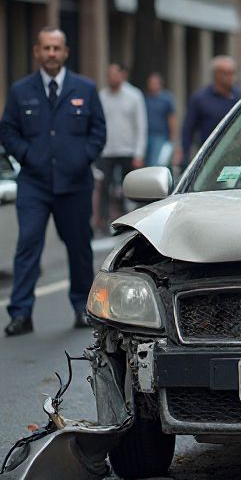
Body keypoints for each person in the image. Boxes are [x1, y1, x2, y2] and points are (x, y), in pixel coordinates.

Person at [0, 27, 106, 336]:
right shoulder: (21, 91)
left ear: (65, 52)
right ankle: (21, 314)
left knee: (78, 247)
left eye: (56, 48)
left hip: (75, 184)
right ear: (37, 52)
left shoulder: (84, 89)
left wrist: (81, 158)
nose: (51, 54)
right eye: (46, 48)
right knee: (28, 245)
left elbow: (98, 131)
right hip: (34, 183)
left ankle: (81, 307)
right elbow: (7, 130)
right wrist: (28, 155)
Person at [97, 64, 147, 230]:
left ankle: (130, 220)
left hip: (128, 150)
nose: (111, 77)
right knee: (104, 187)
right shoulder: (102, 96)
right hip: (107, 149)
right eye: (109, 74)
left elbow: (141, 125)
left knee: (130, 187)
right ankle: (102, 221)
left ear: (123, 75)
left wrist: (139, 153)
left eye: (115, 74)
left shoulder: (134, 95)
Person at [180, 56, 241, 162]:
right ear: (216, 74)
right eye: (226, 73)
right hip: (209, 157)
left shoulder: (240, 96)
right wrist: (184, 155)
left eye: (233, 73)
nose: (231, 77)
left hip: (236, 154)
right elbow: (188, 129)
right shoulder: (200, 98)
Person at [144, 72, 177, 167]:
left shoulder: (166, 98)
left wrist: (172, 136)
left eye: (154, 83)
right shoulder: (145, 98)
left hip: (161, 135)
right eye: (150, 83)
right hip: (147, 134)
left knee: (157, 162)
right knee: (147, 162)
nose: (152, 85)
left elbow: (172, 117)